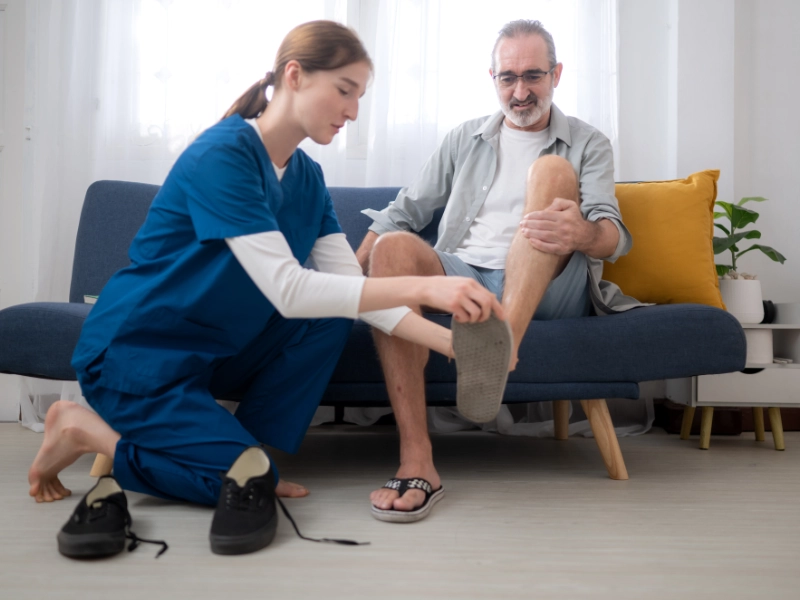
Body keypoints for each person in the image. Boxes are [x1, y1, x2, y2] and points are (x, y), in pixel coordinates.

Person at [27, 20, 504, 555]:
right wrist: (430, 288)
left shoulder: (307, 178)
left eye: (360, 96)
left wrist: (453, 344)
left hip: (212, 355)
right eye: (345, 90)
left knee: (329, 316)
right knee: (247, 481)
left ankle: (242, 452)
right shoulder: (222, 156)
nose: (353, 111)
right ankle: (83, 429)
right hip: (137, 354)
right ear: (295, 76)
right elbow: (290, 290)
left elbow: (345, 289)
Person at [359, 19, 641, 523]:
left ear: (556, 74)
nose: (520, 90)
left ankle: (500, 342)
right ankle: (417, 460)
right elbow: (402, 213)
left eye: (533, 76)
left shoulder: (588, 142)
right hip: (463, 274)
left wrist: (582, 233)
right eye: (507, 77)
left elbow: (614, 236)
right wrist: (350, 281)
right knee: (395, 248)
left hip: (546, 283)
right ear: (492, 78)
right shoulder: (464, 138)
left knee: (552, 173)